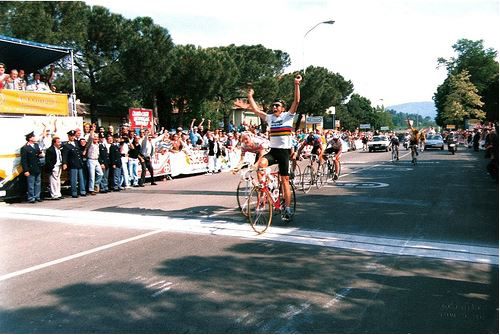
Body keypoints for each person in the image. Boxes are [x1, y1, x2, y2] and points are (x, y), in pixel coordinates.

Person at [247, 74, 302, 221]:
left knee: (284, 180)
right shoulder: (270, 118)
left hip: (284, 152)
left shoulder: (288, 116)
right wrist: (250, 96)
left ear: (283, 108)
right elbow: (256, 111)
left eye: (277, 105)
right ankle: (269, 185)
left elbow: (296, 101)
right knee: (261, 165)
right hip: (273, 151)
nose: (274, 107)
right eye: (273, 105)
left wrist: (296, 84)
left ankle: (288, 207)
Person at [62, 130, 86, 198]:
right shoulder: (66, 145)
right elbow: (65, 155)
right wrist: (64, 163)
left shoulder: (76, 143)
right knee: (74, 179)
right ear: (68, 136)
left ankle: (82, 191)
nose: (72, 137)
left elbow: (81, 149)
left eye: (73, 136)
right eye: (71, 136)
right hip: (73, 164)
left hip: (79, 163)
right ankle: (74, 192)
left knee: (81, 178)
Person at [20, 131, 43, 203]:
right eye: (33, 136)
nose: (34, 138)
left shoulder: (36, 145)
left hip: (37, 167)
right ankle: (31, 197)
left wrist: (40, 154)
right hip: (30, 168)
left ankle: (37, 196)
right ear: (30, 138)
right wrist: (26, 170)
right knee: (31, 184)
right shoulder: (25, 148)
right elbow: (23, 160)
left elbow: (38, 154)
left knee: (38, 183)